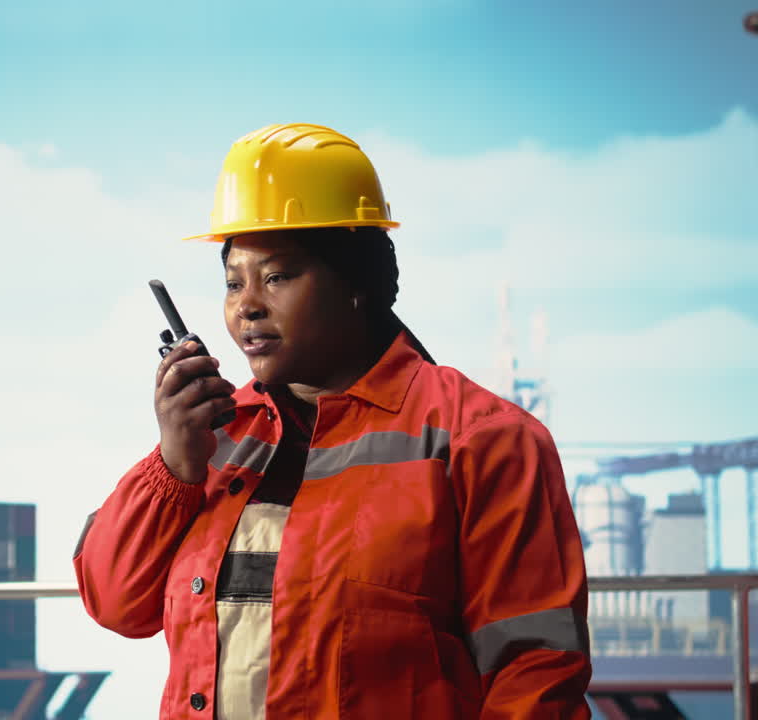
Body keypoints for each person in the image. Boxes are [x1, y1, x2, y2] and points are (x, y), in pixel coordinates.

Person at [74, 123, 591, 719]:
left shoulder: (481, 440)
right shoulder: (212, 438)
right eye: (233, 282)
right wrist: (173, 466)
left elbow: (535, 672)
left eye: (278, 276)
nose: (247, 306)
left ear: (357, 284)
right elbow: (114, 604)